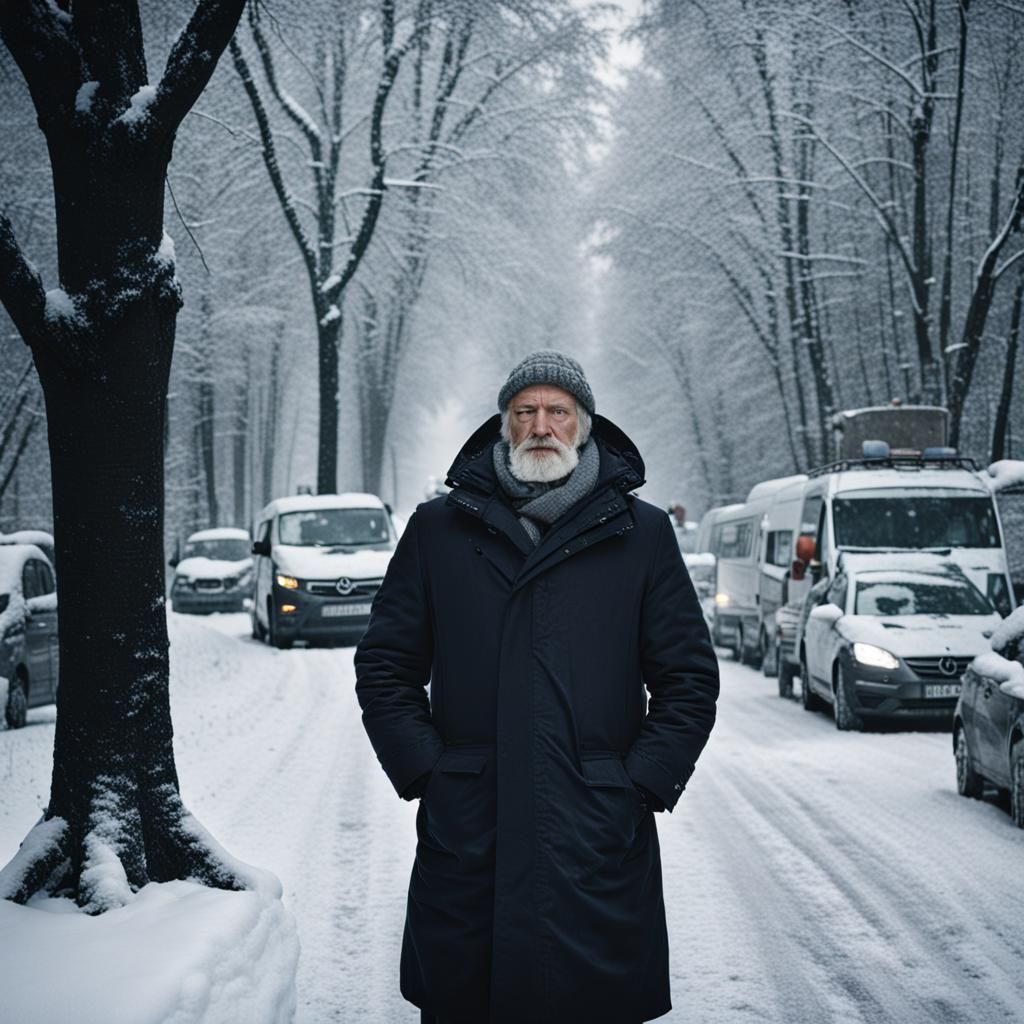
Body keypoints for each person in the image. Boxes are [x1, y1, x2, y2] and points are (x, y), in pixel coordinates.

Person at [355, 351, 719, 1024]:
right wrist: (431, 772)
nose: (541, 426)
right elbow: (385, 664)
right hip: (471, 824)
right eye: (525, 412)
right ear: (504, 425)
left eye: (558, 411)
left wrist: (637, 784)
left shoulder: (642, 534)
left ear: (583, 425)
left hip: (596, 828)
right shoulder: (439, 530)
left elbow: (689, 678)